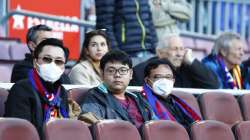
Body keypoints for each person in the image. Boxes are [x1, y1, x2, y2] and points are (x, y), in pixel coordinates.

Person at [5, 38, 71, 140]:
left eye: (58, 61)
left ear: (63, 68)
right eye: (47, 59)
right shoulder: (21, 89)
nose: (52, 65)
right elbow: (20, 132)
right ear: (35, 62)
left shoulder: (61, 91)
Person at [81, 50, 156, 128]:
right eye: (111, 71)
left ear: (130, 74)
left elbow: (155, 127)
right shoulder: (94, 97)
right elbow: (94, 128)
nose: (117, 75)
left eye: (123, 70)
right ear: (102, 74)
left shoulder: (139, 98)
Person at [131, 34, 219, 89]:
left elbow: (214, 84)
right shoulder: (144, 69)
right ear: (160, 52)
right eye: (175, 49)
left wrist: (192, 62)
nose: (179, 54)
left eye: (182, 49)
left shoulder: (190, 68)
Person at [141, 59, 201, 129]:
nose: (164, 81)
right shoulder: (142, 102)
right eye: (158, 77)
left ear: (173, 81)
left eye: (168, 77)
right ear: (147, 80)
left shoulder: (176, 102)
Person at [95, 0, 158, 64]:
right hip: (125, 55)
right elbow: (104, 25)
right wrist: (116, 54)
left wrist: (154, 45)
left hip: (148, 52)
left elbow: (149, 20)